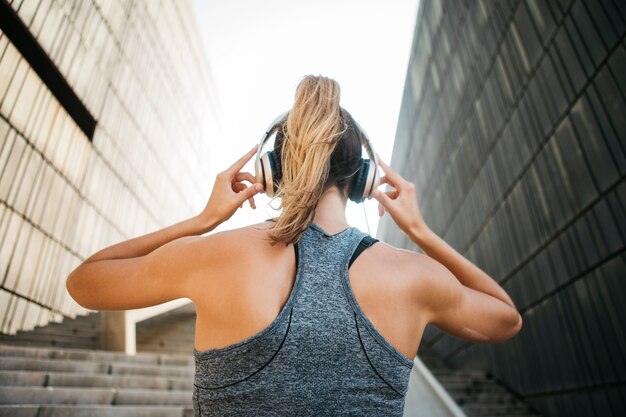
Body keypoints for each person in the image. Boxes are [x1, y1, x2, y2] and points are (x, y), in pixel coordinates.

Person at [66, 75, 522, 416]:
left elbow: (85, 282)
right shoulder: (414, 278)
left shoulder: (216, 257)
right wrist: (421, 232)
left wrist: (203, 221)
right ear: (360, 180)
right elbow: (505, 318)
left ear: (274, 169)